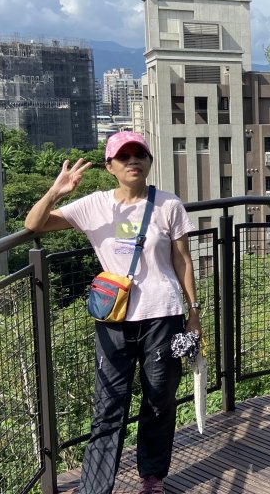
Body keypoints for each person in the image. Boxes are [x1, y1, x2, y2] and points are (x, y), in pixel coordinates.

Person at [25, 131, 201, 494]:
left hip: (163, 315)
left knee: (159, 399)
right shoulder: (94, 205)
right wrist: (56, 192)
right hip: (114, 320)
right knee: (109, 405)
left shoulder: (169, 205)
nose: (133, 161)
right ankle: (95, 486)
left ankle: (152, 477)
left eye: (140, 154)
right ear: (110, 166)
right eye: (124, 156)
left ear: (150, 162)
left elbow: (182, 260)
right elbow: (34, 225)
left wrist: (194, 311)